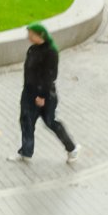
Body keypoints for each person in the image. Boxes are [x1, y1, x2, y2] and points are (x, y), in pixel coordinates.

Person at [17, 21, 75, 161]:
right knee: (26, 121)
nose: (28, 37)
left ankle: (72, 148)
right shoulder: (32, 49)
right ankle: (26, 152)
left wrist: (42, 96)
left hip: (44, 95)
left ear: (40, 35)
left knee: (50, 121)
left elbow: (50, 76)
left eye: (31, 34)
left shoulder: (50, 52)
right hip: (29, 92)